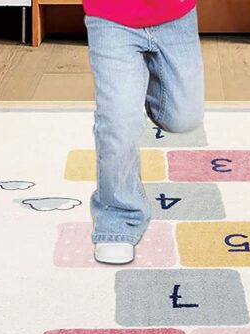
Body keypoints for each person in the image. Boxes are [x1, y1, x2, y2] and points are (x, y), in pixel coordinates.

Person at [83, 0, 204, 264]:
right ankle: (117, 219)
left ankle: (139, 84)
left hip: (176, 15)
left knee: (184, 117)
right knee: (118, 122)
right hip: (111, 17)